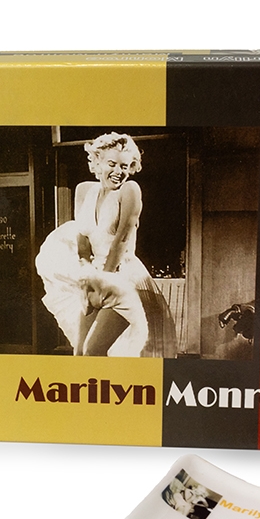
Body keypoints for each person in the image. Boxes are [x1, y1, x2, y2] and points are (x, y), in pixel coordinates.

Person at [36, 132, 177, 357]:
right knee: (79, 351)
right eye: (112, 164)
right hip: (95, 276)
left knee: (93, 351)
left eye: (125, 166)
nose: (118, 171)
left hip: (123, 278)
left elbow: (121, 240)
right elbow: (82, 238)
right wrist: (86, 274)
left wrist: (102, 281)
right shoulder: (84, 190)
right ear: (97, 161)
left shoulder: (130, 190)